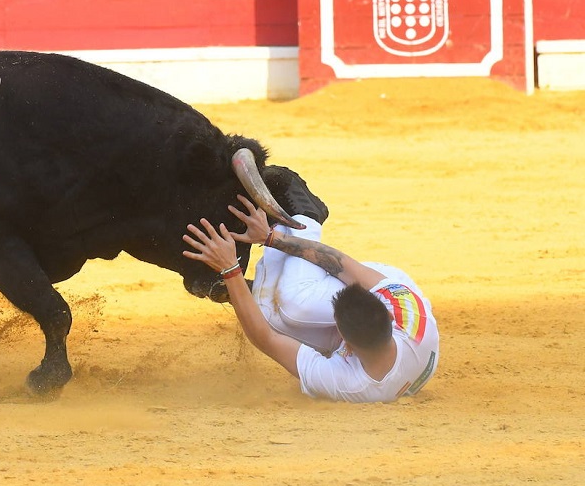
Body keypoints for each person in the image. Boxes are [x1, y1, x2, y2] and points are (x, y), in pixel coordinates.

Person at [182, 168, 439, 403]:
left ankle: (254, 290)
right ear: (386, 314)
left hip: (379, 341)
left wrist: (230, 269)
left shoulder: (348, 385)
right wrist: (272, 237)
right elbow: (342, 265)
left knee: (277, 314)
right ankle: (306, 214)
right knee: (295, 304)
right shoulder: (404, 309)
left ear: (345, 343)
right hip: (389, 281)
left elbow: (265, 337)